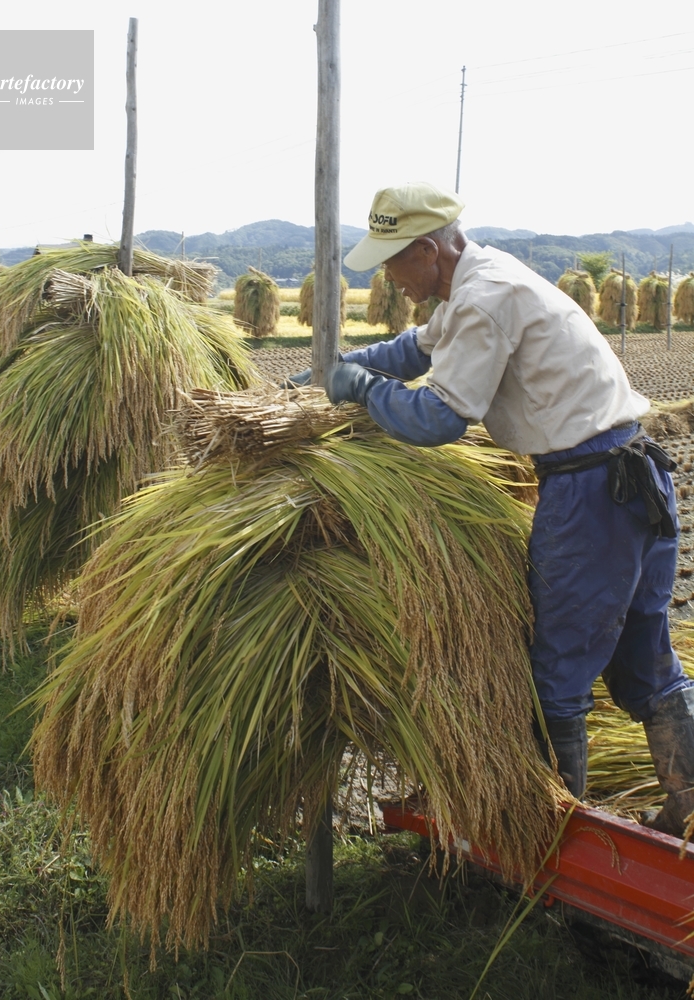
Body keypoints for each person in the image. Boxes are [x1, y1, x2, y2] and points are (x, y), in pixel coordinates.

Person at [286, 181, 694, 836]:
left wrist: (361, 390)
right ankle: (688, 806)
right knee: (647, 656)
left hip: (591, 494)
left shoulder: (483, 297)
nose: (388, 278)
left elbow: (439, 417)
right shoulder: (480, 278)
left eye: (392, 262)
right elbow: (414, 349)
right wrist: (330, 369)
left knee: (555, 672)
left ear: (427, 250)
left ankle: (550, 837)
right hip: (632, 477)